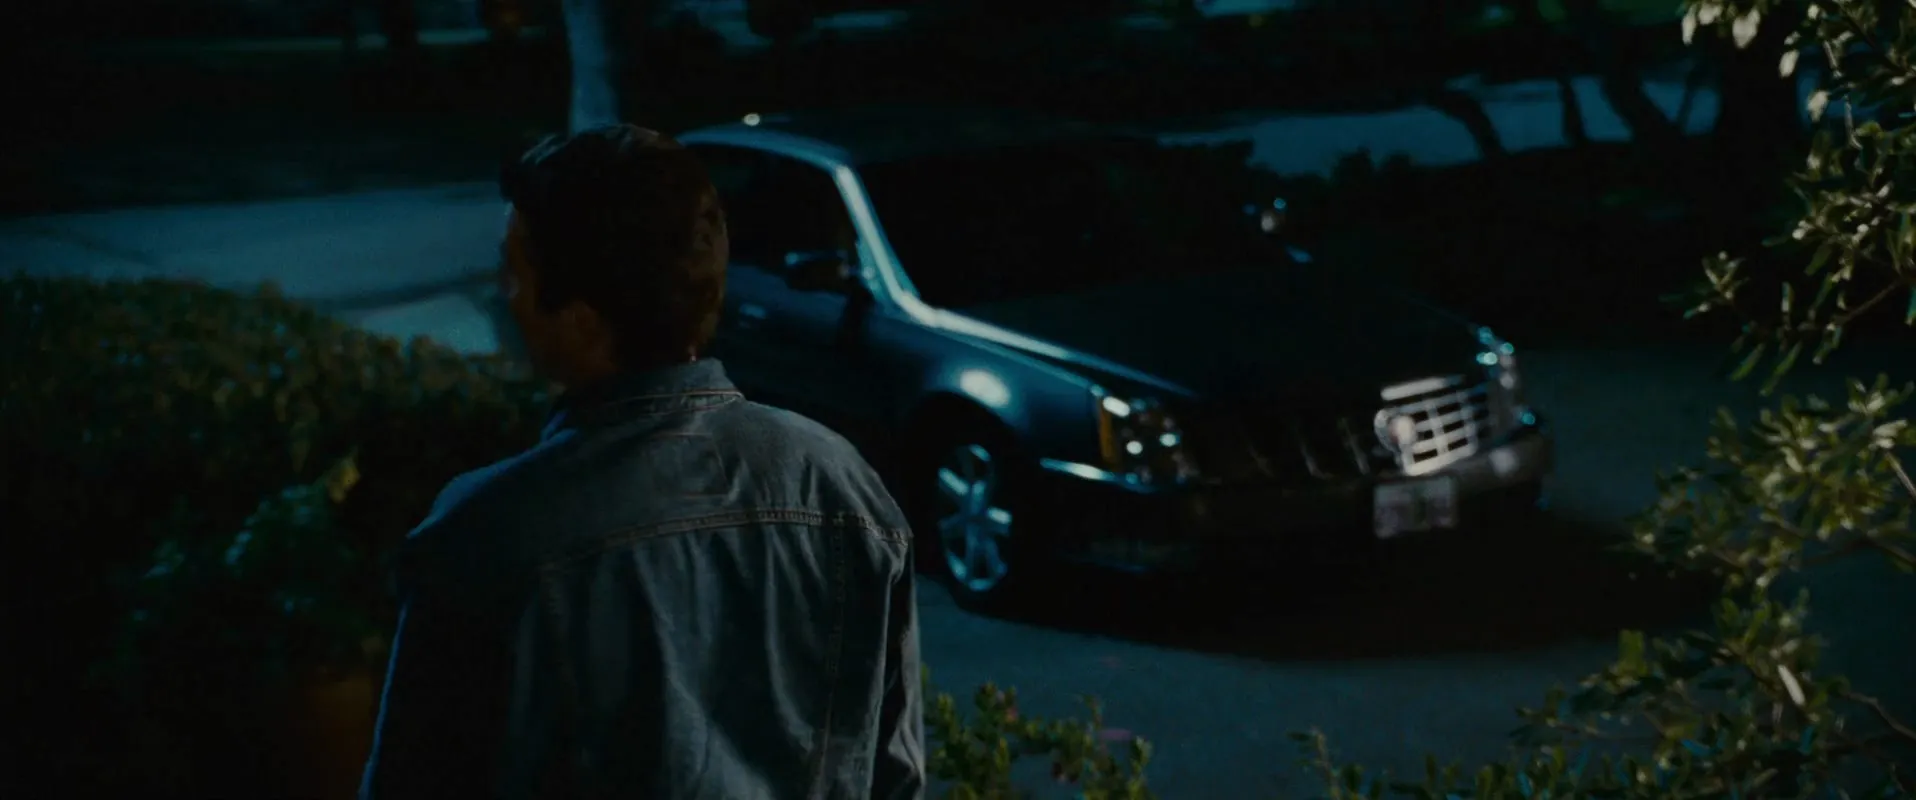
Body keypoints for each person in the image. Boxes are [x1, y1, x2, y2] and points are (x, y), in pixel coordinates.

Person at [360, 124, 926, 800]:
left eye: (514, 269)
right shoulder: (843, 489)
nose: (499, 291)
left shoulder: (483, 541)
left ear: (582, 317)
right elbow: (895, 776)